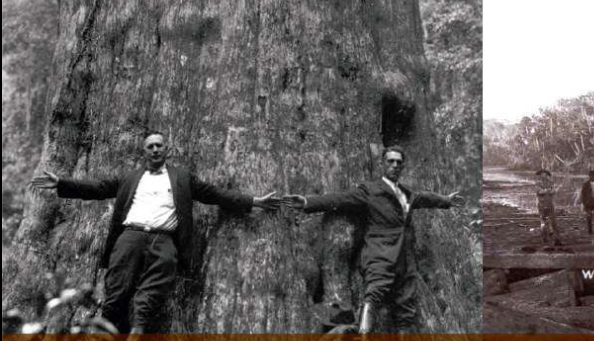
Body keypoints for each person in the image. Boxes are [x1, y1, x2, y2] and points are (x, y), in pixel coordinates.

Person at [29, 131, 281, 334]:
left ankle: (137, 333)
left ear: (166, 149)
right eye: (150, 146)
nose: (155, 150)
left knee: (151, 295)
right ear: (144, 151)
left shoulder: (182, 178)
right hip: (130, 237)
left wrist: (254, 201)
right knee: (116, 291)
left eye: (159, 145)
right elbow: (98, 187)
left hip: (164, 241)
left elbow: (215, 194)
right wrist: (62, 183)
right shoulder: (130, 177)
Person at [285, 146, 461, 334]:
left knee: (406, 308)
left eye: (398, 162)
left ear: (402, 166)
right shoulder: (370, 190)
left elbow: (426, 198)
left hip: (405, 260)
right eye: (390, 161)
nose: (394, 165)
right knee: (374, 295)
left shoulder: (407, 193)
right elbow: (340, 199)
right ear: (382, 164)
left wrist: (446, 201)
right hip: (380, 254)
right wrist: (307, 202)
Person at [534, 169, 561, 247]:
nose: (543, 176)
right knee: (543, 221)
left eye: (545, 174)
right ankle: (544, 238)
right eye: (542, 174)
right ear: (540, 176)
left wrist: (548, 191)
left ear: (547, 175)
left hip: (550, 203)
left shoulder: (551, 182)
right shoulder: (537, 183)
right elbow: (539, 192)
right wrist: (548, 190)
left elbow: (554, 191)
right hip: (541, 204)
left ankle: (557, 239)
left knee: (553, 222)